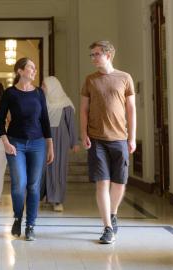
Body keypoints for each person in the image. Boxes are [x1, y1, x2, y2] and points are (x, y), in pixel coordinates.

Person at [80, 41, 136, 244]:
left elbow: (131, 110)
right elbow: (84, 109)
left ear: (108, 55)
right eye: (92, 55)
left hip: (120, 138)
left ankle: (112, 213)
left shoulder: (125, 78)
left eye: (96, 54)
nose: (93, 58)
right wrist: (83, 133)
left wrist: (132, 137)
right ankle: (107, 227)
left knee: (119, 183)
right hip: (96, 139)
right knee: (102, 183)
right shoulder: (90, 80)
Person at [0, 57, 54, 241]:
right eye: (31, 67)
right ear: (20, 71)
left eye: (35, 68)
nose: (34, 71)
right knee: (19, 184)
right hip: (15, 143)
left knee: (33, 185)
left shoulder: (39, 93)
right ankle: (17, 217)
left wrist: (50, 144)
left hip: (37, 144)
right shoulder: (10, 93)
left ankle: (30, 225)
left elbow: (45, 120)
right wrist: (6, 142)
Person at [40, 76, 79, 212]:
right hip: (43, 138)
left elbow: (71, 124)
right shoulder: (41, 102)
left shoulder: (66, 104)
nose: (42, 88)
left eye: (44, 86)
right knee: (43, 169)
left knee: (58, 169)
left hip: (61, 140)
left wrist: (74, 142)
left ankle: (57, 200)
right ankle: (45, 195)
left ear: (53, 87)